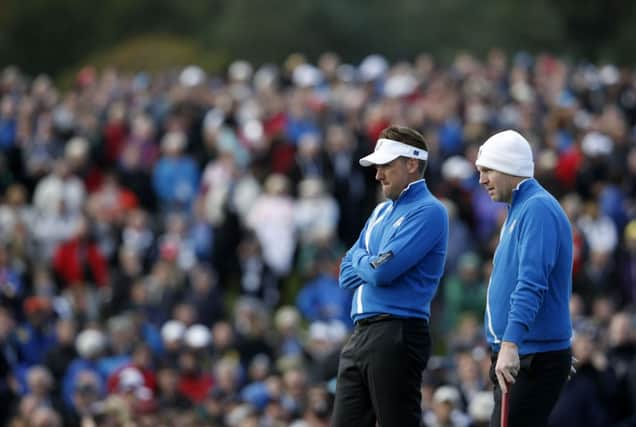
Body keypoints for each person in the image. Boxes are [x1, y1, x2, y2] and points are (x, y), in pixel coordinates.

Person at [331, 125, 449, 427]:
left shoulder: (429, 211)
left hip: (396, 331)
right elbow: (345, 276)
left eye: (386, 165)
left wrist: (359, 257)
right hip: (362, 332)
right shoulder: (380, 212)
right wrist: (364, 261)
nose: (378, 174)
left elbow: (381, 272)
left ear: (411, 164)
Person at [474, 130, 573, 427]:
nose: (481, 180)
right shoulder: (521, 207)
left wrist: (512, 343)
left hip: (529, 355)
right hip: (529, 351)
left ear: (510, 168)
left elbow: (532, 282)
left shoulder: (537, 208)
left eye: (488, 170)